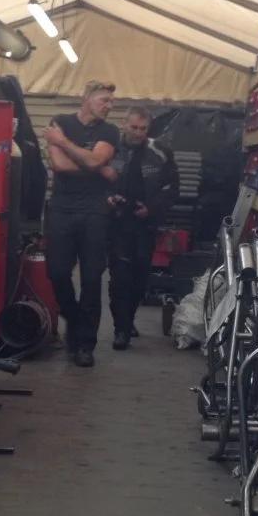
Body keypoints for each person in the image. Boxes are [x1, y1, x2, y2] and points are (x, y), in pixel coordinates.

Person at [42, 81, 120, 367]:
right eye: (103, 100)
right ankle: (74, 320)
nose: (108, 106)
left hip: (95, 212)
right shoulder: (60, 121)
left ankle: (85, 344)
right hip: (62, 209)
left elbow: (95, 160)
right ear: (87, 98)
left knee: (91, 278)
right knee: (57, 272)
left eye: (111, 102)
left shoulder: (109, 131)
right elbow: (60, 165)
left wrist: (63, 143)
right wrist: (96, 167)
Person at [106, 108, 179, 350]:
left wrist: (151, 208)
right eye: (134, 127)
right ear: (124, 124)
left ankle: (128, 319)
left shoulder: (160, 151)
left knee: (139, 277)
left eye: (143, 128)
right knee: (119, 278)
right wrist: (108, 199)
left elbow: (172, 188)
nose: (138, 133)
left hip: (145, 224)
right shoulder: (108, 148)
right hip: (115, 223)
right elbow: (95, 179)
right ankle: (121, 329)